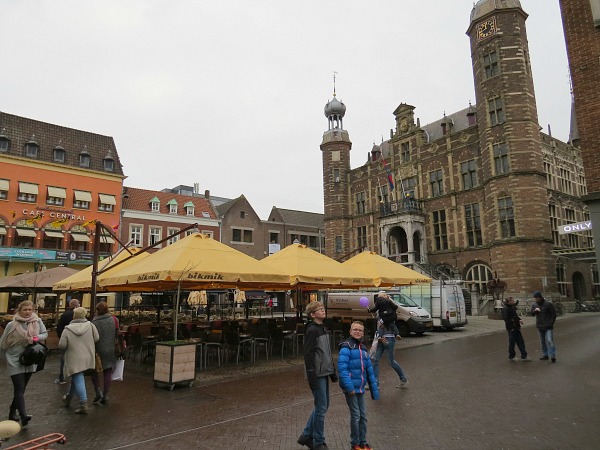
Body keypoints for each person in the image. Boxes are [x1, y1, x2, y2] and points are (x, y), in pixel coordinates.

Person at [0, 300, 48, 427]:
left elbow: (44, 334)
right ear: (19, 310)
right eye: (25, 310)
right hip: (14, 359)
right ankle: (23, 415)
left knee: (21, 389)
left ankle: (12, 412)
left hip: (30, 358)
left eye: (30, 310)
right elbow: (3, 342)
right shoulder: (12, 324)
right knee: (19, 388)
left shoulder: (37, 321)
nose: (27, 312)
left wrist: (35, 338)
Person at [298, 301, 337, 450]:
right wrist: (311, 375)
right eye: (319, 309)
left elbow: (326, 352)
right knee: (321, 407)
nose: (323, 310)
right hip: (317, 373)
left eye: (322, 308)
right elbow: (308, 355)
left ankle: (307, 435)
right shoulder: (312, 330)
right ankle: (318, 441)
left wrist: (332, 371)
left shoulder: (322, 328)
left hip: (324, 371)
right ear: (312, 315)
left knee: (324, 405)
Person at [337, 321, 379, 450]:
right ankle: (354, 443)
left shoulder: (363, 348)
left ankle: (363, 442)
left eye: (360, 330)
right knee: (356, 415)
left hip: (360, 387)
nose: (357, 332)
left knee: (363, 416)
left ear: (363, 333)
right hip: (351, 389)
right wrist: (349, 387)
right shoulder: (346, 347)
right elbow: (342, 369)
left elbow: (370, 371)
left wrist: (374, 390)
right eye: (355, 329)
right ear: (350, 331)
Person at [59, 306, 99, 414]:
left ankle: (83, 403)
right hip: (87, 355)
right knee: (76, 378)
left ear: (74, 315)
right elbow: (96, 338)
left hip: (74, 357)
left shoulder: (67, 329)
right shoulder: (90, 325)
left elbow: (62, 345)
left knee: (78, 377)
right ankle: (68, 398)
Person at [90, 302, 119, 405]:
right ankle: (105, 393)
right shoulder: (114, 320)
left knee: (94, 371)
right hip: (110, 348)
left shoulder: (93, 323)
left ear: (97, 310)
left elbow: (91, 337)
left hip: (97, 349)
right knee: (107, 371)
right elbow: (117, 334)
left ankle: (98, 391)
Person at [56, 298, 80, 384]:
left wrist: (61, 338)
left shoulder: (65, 314)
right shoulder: (79, 316)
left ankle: (62, 377)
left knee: (63, 359)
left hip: (66, 340)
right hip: (77, 341)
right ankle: (76, 375)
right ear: (77, 305)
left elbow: (59, 328)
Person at [501, 297, 531, 362]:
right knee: (512, 343)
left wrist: (519, 319)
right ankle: (512, 356)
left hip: (516, 327)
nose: (513, 301)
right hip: (512, 328)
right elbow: (506, 319)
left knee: (521, 341)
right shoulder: (505, 309)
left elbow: (515, 316)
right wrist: (511, 327)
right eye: (512, 300)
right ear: (508, 301)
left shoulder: (511, 307)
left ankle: (524, 355)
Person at [531, 291, 557, 363]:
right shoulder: (534, 305)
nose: (536, 300)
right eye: (535, 298)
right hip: (540, 325)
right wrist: (535, 311)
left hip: (548, 326)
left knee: (549, 340)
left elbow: (553, 314)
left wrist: (551, 323)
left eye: (537, 298)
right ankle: (545, 354)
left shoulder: (548, 304)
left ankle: (552, 355)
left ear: (540, 297)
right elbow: (532, 313)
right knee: (542, 341)